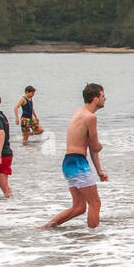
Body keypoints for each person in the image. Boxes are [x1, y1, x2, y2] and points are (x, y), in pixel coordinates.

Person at [40, 83, 107, 228]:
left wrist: (99, 171)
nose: (105, 99)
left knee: (79, 207)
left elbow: (90, 147)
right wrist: (101, 146)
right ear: (95, 99)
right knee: (95, 203)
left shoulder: (79, 112)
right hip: (78, 162)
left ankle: (46, 227)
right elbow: (95, 147)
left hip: (69, 162)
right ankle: (94, 236)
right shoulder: (90, 117)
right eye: (103, 96)